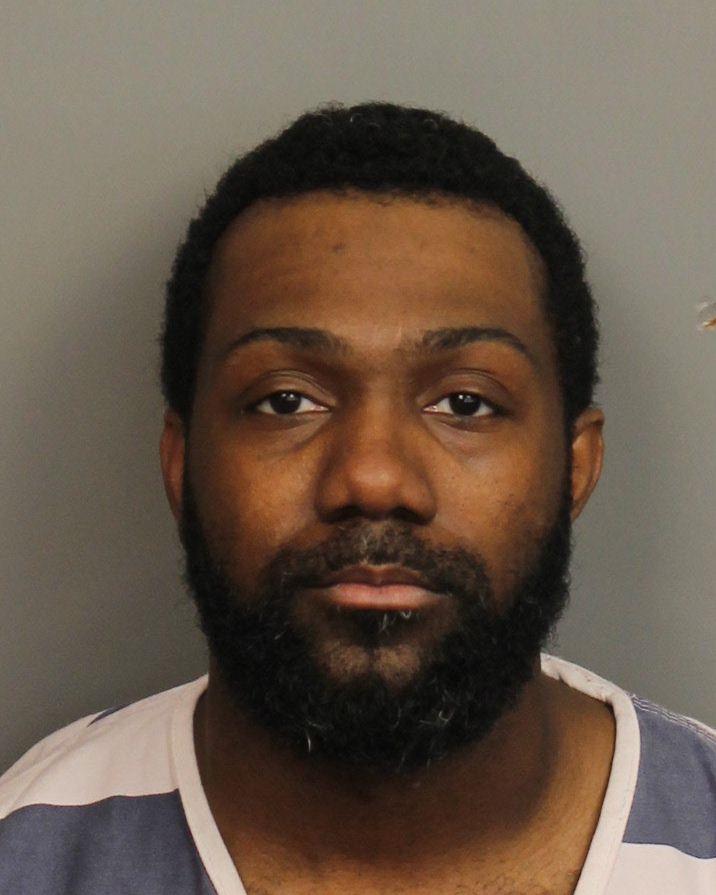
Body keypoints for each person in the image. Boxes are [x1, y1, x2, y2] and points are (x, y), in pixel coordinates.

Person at [1, 102, 714, 895]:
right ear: (181, 462)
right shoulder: (27, 853)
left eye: (466, 403)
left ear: (576, 467)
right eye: (286, 401)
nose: (374, 478)